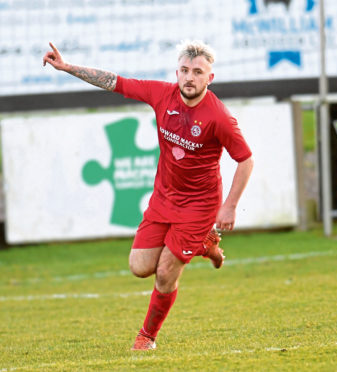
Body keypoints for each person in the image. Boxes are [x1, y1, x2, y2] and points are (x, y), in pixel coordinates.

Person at [43, 40, 254, 350]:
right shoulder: (162, 94)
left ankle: (147, 337)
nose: (189, 78)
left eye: (197, 72)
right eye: (184, 70)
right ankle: (203, 245)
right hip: (164, 199)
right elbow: (116, 82)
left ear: (210, 78)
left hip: (199, 206)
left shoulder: (219, 117)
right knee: (140, 267)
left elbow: (246, 160)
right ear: (177, 72)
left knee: (166, 272)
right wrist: (67, 67)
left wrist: (230, 207)